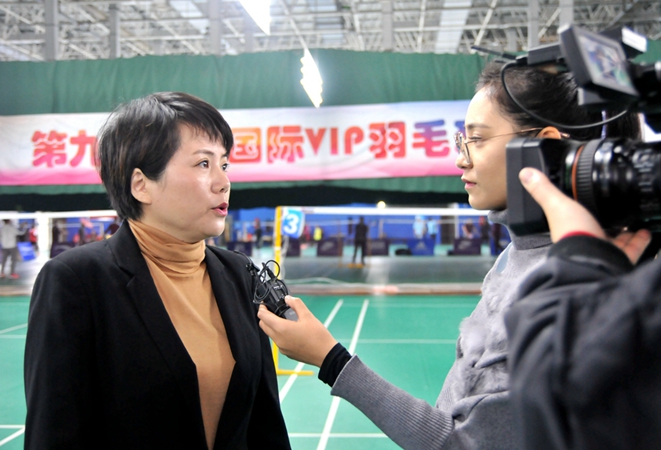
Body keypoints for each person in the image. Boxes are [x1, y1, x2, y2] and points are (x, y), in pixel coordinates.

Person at [256, 61, 641, 450]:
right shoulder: (516, 255)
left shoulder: (564, 291)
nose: (460, 158)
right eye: (462, 140)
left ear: (546, 148)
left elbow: (462, 444)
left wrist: (330, 359)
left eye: (477, 139)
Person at [24, 92, 290, 450]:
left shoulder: (240, 273)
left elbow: (265, 426)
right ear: (141, 185)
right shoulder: (76, 281)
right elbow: (54, 434)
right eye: (203, 164)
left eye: (224, 165)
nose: (223, 182)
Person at [505, 167, 655, 450]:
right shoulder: (507, 261)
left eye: (475, 143)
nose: (462, 160)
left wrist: (578, 258)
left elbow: (553, 388)